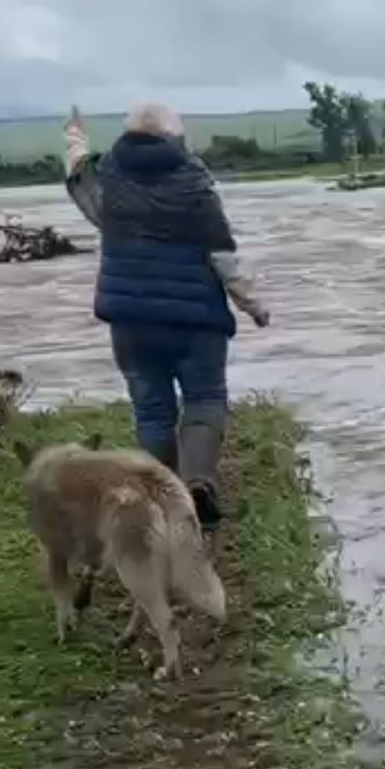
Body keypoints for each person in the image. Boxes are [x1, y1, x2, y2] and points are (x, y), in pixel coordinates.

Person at [61, 103, 258, 531]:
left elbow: (78, 174)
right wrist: (251, 303)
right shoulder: (194, 180)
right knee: (205, 399)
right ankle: (198, 483)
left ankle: (165, 500)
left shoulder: (108, 179)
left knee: (152, 411)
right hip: (196, 321)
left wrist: (74, 137)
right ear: (175, 138)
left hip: (131, 322)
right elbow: (222, 253)